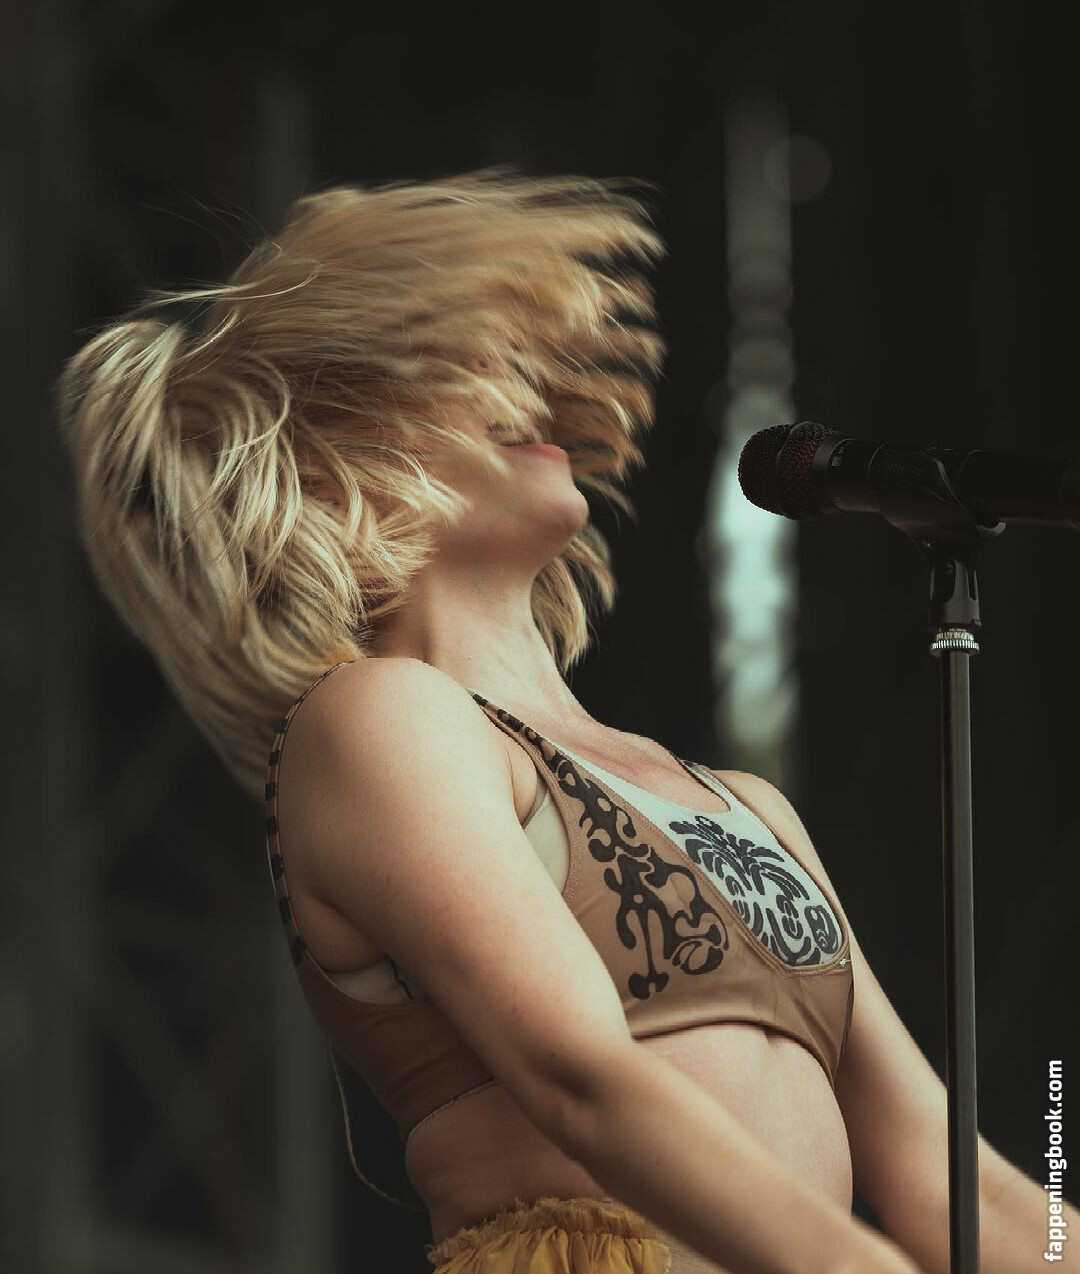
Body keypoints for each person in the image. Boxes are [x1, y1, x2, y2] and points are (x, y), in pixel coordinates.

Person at [55, 167, 1065, 1274]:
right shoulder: (377, 718)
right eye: (457, 369)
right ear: (328, 459)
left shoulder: (747, 805)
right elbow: (583, 1080)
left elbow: (954, 1182)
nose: (521, 385)